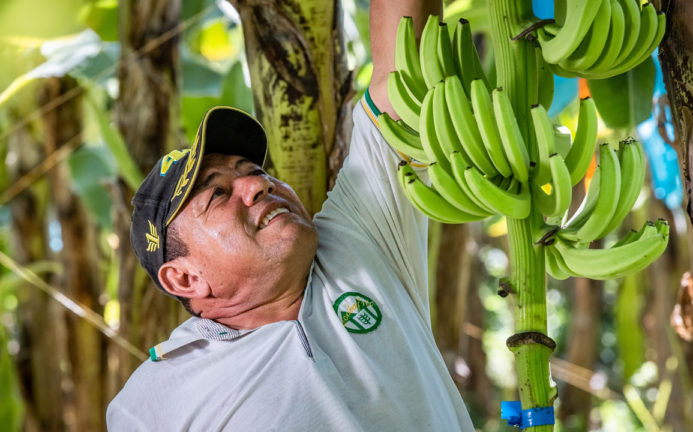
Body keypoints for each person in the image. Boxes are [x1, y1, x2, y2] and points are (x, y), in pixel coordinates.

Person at [107, 0, 474, 430]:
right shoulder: (154, 402)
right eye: (219, 194)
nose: (257, 184)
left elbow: (403, 78)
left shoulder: (360, 238)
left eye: (255, 170)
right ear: (185, 278)